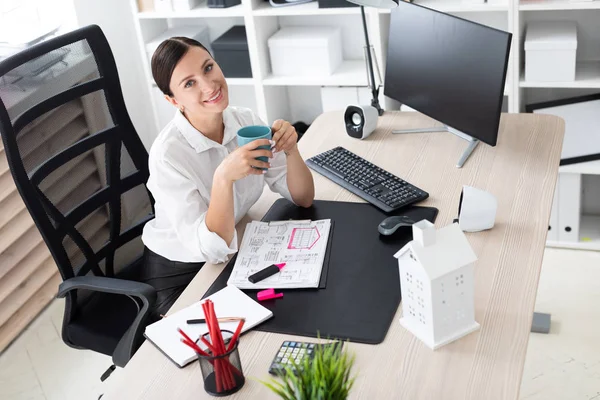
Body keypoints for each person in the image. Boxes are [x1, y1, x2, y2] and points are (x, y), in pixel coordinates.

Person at [139, 37, 315, 319]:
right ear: (173, 100)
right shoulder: (167, 156)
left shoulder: (245, 121)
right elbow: (211, 249)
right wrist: (223, 177)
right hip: (181, 273)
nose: (209, 85)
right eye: (189, 83)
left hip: (233, 250)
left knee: (297, 304)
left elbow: (303, 197)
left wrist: (292, 150)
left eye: (208, 68)